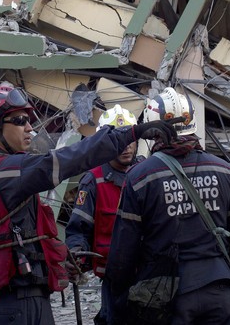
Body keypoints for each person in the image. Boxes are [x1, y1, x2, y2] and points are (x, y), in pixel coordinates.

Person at [0, 83, 182, 325]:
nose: (30, 128)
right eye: (20, 120)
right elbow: (67, 160)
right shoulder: (8, 171)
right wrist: (131, 133)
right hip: (17, 303)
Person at [105, 87, 230, 325]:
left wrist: (121, 298)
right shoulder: (225, 172)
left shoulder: (139, 178)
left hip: (166, 297)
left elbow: (123, 252)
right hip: (221, 291)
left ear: (153, 129)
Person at [65, 105, 141, 325]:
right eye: (118, 140)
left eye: (130, 139)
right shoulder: (93, 181)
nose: (126, 147)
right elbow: (77, 229)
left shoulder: (148, 173)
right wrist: (77, 253)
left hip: (147, 272)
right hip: (113, 275)